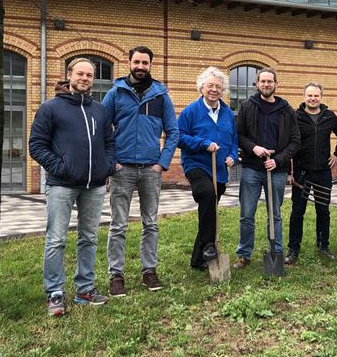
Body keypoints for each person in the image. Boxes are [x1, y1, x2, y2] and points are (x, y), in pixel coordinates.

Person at [29, 58, 115, 316]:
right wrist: (61, 168)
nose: (85, 78)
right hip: (62, 185)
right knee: (56, 240)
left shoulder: (99, 110)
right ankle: (55, 292)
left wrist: (107, 166)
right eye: (80, 73)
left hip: (94, 185)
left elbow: (110, 142)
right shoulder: (51, 108)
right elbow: (36, 145)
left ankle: (85, 290)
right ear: (69, 76)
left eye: (89, 75)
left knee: (89, 238)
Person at [102, 45, 179, 296]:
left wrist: (162, 162)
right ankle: (116, 275)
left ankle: (149, 271)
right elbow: (102, 128)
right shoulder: (116, 93)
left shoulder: (160, 95)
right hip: (121, 168)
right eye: (137, 62)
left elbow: (173, 131)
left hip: (150, 169)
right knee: (118, 225)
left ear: (150, 65)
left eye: (145, 63)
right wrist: (112, 161)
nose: (141, 67)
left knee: (151, 223)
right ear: (129, 62)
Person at [234, 68, 301, 269]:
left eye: (269, 81)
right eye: (262, 81)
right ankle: (244, 254)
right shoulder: (247, 106)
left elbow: (295, 141)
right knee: (247, 214)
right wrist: (253, 148)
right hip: (251, 169)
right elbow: (238, 135)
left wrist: (278, 161)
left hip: (277, 171)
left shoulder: (286, 110)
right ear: (257, 84)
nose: (266, 84)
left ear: (276, 84)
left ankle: (276, 253)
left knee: (275, 215)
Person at [177, 67, 238, 271]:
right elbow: (178, 137)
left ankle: (199, 258)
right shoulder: (191, 111)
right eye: (210, 86)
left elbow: (233, 140)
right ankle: (210, 245)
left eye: (218, 87)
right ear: (202, 87)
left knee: (208, 212)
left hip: (219, 168)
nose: (214, 90)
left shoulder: (228, 113)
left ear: (223, 91)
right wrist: (203, 143)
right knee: (206, 193)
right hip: (197, 164)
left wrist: (232, 156)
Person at [286, 83, 337, 264]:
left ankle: (323, 246)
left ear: (321, 96)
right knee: (297, 211)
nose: (313, 98)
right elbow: (287, 144)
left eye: (316, 95)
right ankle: (293, 249)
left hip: (323, 172)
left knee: (323, 210)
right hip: (301, 172)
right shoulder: (295, 117)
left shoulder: (329, 116)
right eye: (310, 95)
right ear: (304, 97)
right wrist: (289, 172)